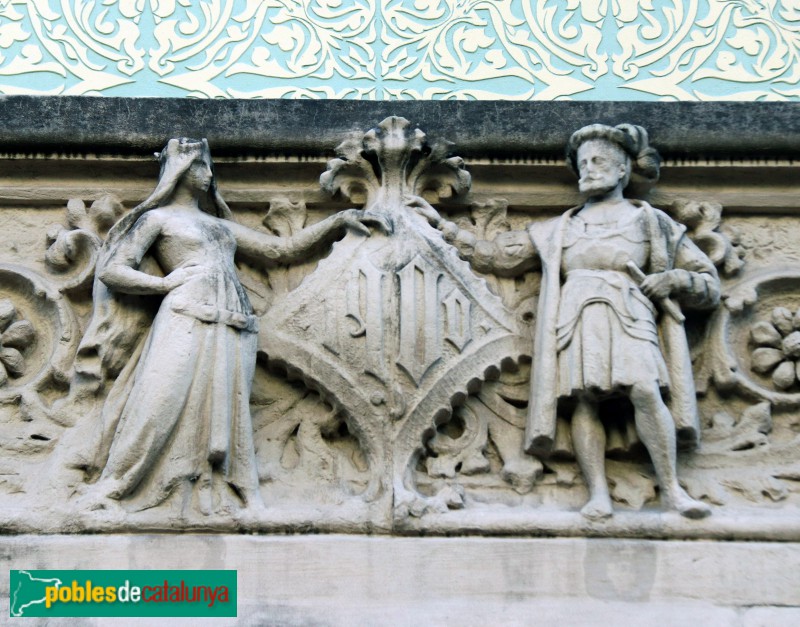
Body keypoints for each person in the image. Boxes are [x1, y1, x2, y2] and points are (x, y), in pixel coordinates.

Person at [411, 124, 719, 520]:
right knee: (584, 400)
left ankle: (672, 490)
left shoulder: (652, 222)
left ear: (623, 169)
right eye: (583, 163)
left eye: (599, 161)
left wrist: (674, 279)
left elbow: (708, 282)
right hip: (576, 316)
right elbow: (497, 256)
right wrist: (442, 226)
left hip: (630, 312)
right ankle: (597, 494)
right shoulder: (560, 228)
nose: (588, 169)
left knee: (645, 389)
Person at [74, 137, 381, 515]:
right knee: (160, 397)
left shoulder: (219, 226)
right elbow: (112, 270)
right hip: (186, 311)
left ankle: (242, 493)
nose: (208, 174)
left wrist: (337, 221)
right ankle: (115, 484)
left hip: (233, 319)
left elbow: (278, 250)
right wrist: (163, 284)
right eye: (200, 165)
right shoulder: (158, 219)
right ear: (180, 170)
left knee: (230, 411)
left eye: (208, 166)